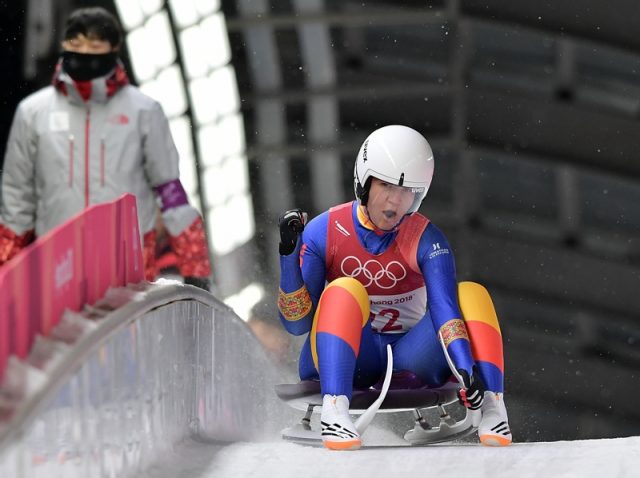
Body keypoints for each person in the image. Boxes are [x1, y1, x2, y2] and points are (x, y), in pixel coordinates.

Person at [277, 125, 512, 450]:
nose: (394, 201)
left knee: (470, 292)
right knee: (346, 289)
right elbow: (297, 324)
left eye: (407, 191)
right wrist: (289, 260)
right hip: (348, 359)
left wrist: (465, 369)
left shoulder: (427, 238)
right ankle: (334, 408)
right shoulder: (324, 230)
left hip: (410, 359)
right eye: (386, 185)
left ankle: (493, 406)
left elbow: (445, 309)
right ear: (364, 180)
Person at [0, 7, 211, 289]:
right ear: (64, 47)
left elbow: (169, 191)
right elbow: (17, 197)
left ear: (112, 50)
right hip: (56, 267)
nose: (84, 53)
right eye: (76, 45)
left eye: (94, 46)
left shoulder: (143, 111)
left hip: (129, 269)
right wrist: (7, 267)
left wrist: (194, 267)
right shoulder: (33, 112)